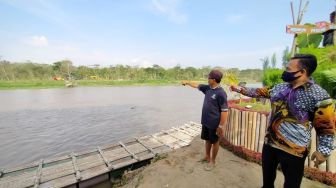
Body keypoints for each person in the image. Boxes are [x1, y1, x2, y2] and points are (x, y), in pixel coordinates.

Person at [230, 54, 335, 188]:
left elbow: (327, 126)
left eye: (288, 69)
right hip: (270, 144)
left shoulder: (319, 95)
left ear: (302, 72)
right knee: (267, 181)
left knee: (291, 185)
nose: (285, 71)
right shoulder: (279, 88)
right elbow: (257, 92)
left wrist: (323, 151)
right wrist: (237, 88)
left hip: (294, 150)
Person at [182, 69, 228, 171]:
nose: (207, 79)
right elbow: (197, 85)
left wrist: (221, 126)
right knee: (207, 140)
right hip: (206, 122)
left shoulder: (221, 93)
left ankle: (213, 161)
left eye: (209, 78)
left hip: (214, 124)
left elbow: (224, 111)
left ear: (214, 80)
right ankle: (207, 157)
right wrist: (188, 82)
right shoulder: (208, 88)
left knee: (215, 142)